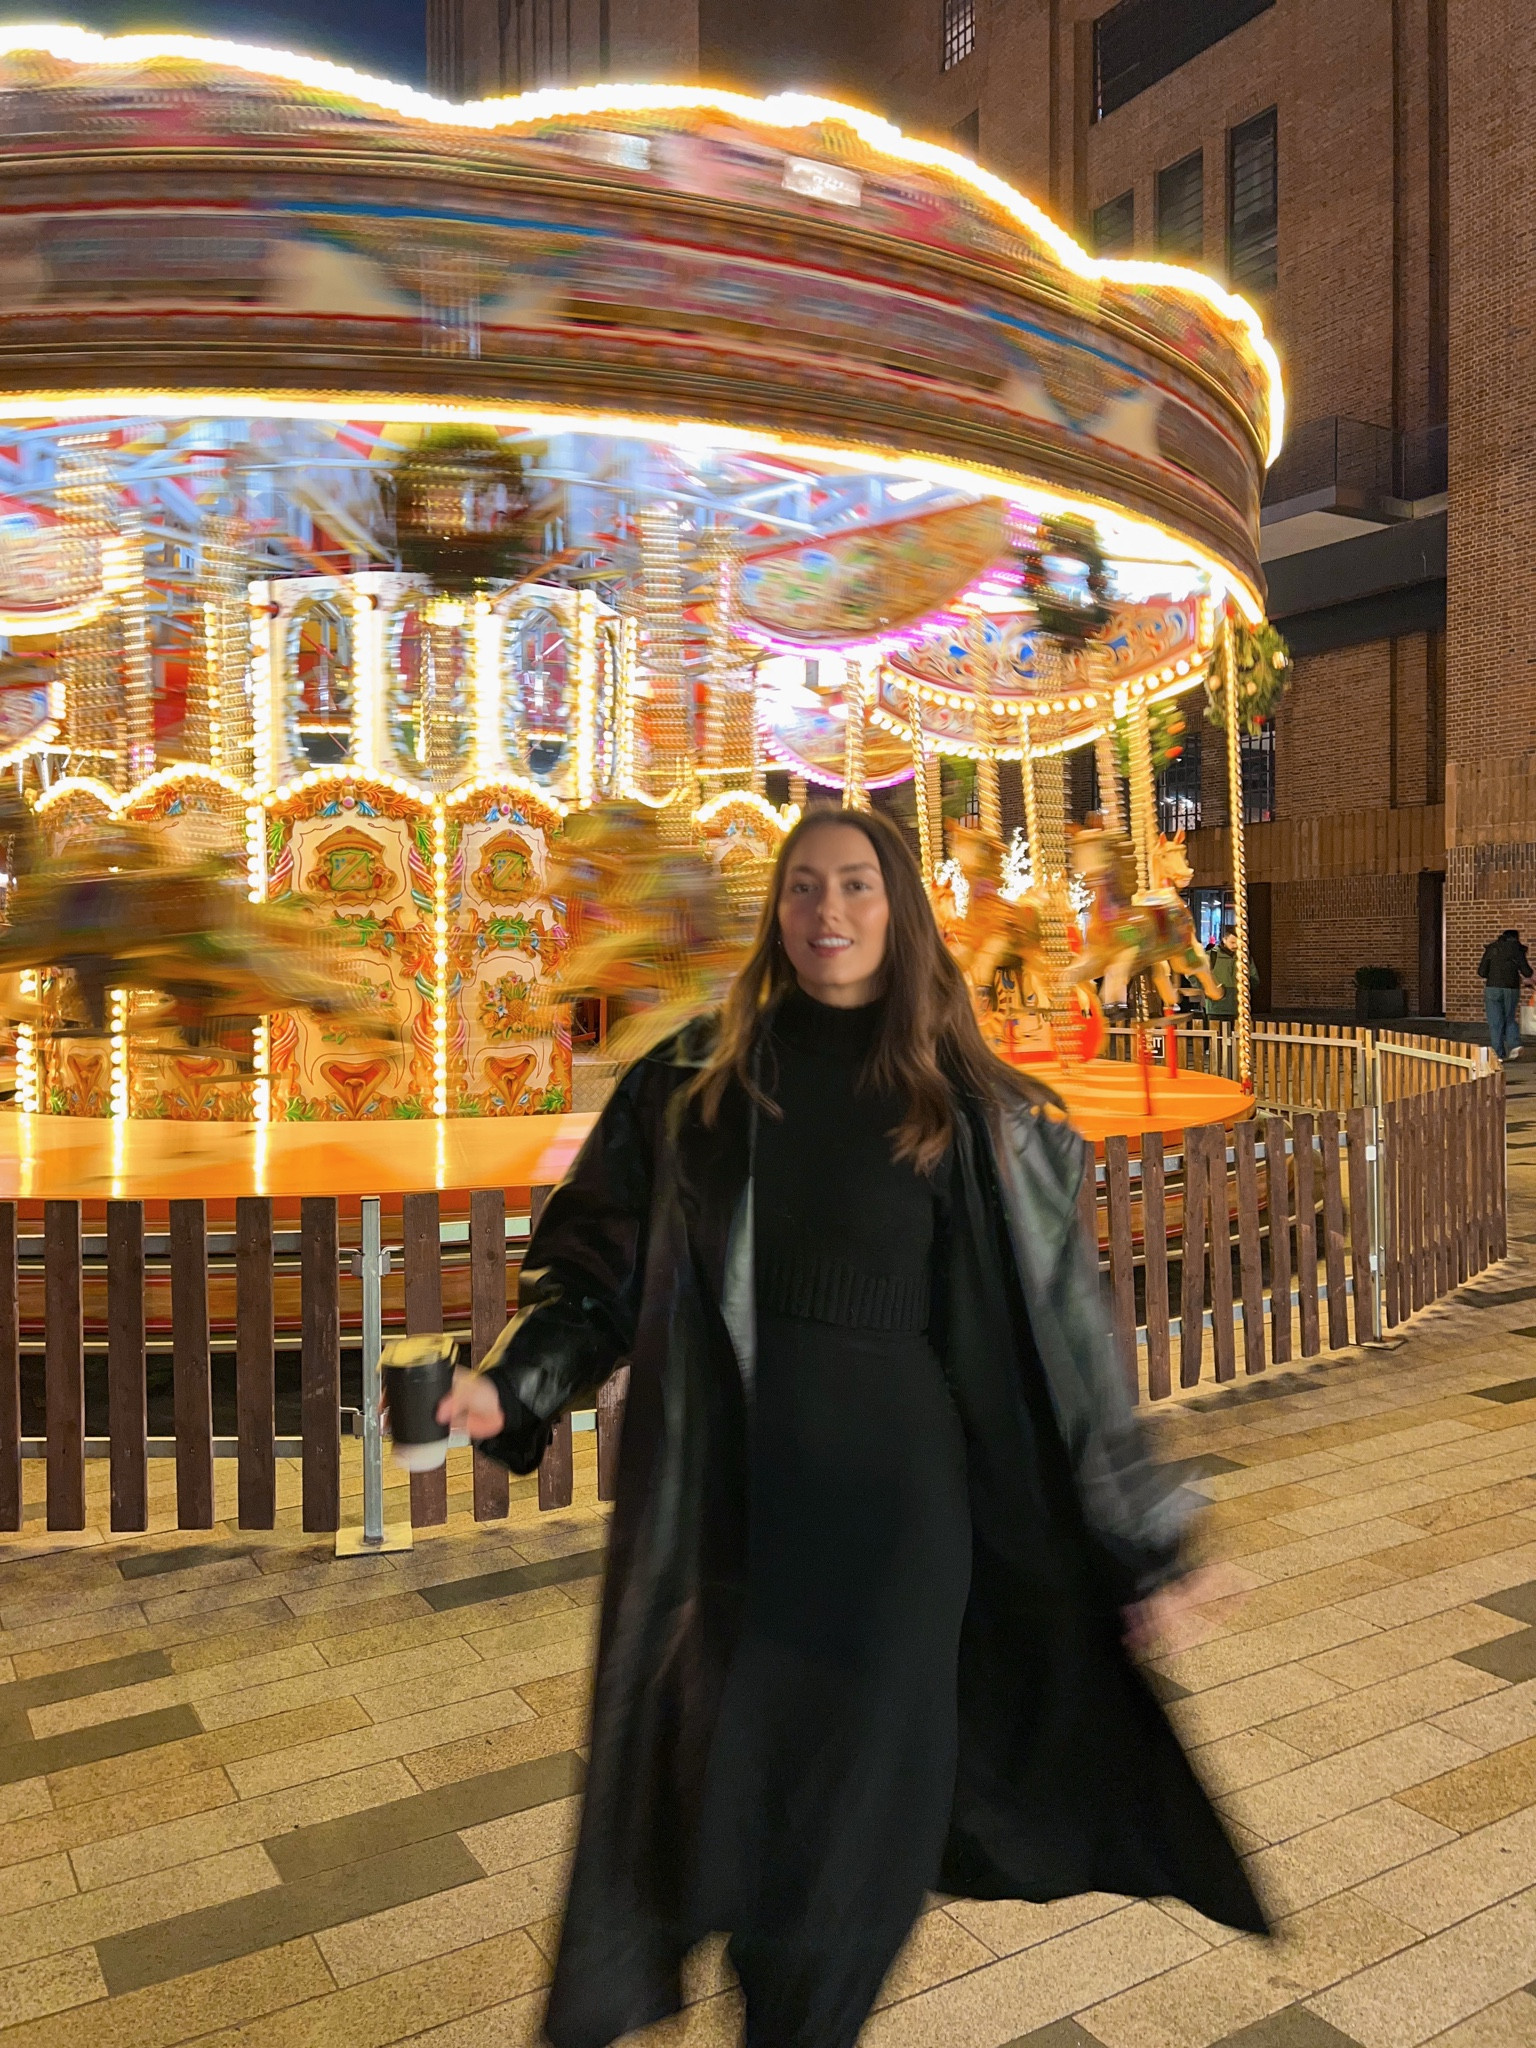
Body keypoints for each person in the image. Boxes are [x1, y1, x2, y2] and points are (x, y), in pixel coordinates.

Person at [441, 808, 1265, 2048]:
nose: (829, 911)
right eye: (806, 888)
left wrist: (1138, 1538)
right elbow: (594, 1269)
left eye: (858, 888)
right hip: (739, 1526)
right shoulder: (691, 1085)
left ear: (900, 911)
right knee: (738, 1813)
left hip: (902, 1537)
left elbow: (1065, 1344)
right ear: (779, 912)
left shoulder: (978, 1109)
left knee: (864, 1844)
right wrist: (518, 1385)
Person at [1478, 927, 1533, 1061]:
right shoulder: (1517, 949)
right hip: (1511, 988)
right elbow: (1527, 972)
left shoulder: (1492, 948)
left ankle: (1498, 1054)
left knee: (1495, 1021)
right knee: (1509, 1017)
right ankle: (1515, 1045)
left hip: (1493, 988)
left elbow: (1482, 972)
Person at [1203, 928, 1241, 1021]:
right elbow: (1193, 973)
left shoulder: (1243, 957)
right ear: (1224, 940)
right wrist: (1207, 987)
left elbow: (1254, 978)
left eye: (1238, 943)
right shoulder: (1211, 956)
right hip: (1215, 1008)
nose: (1235, 946)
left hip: (1237, 1007)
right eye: (1232, 942)